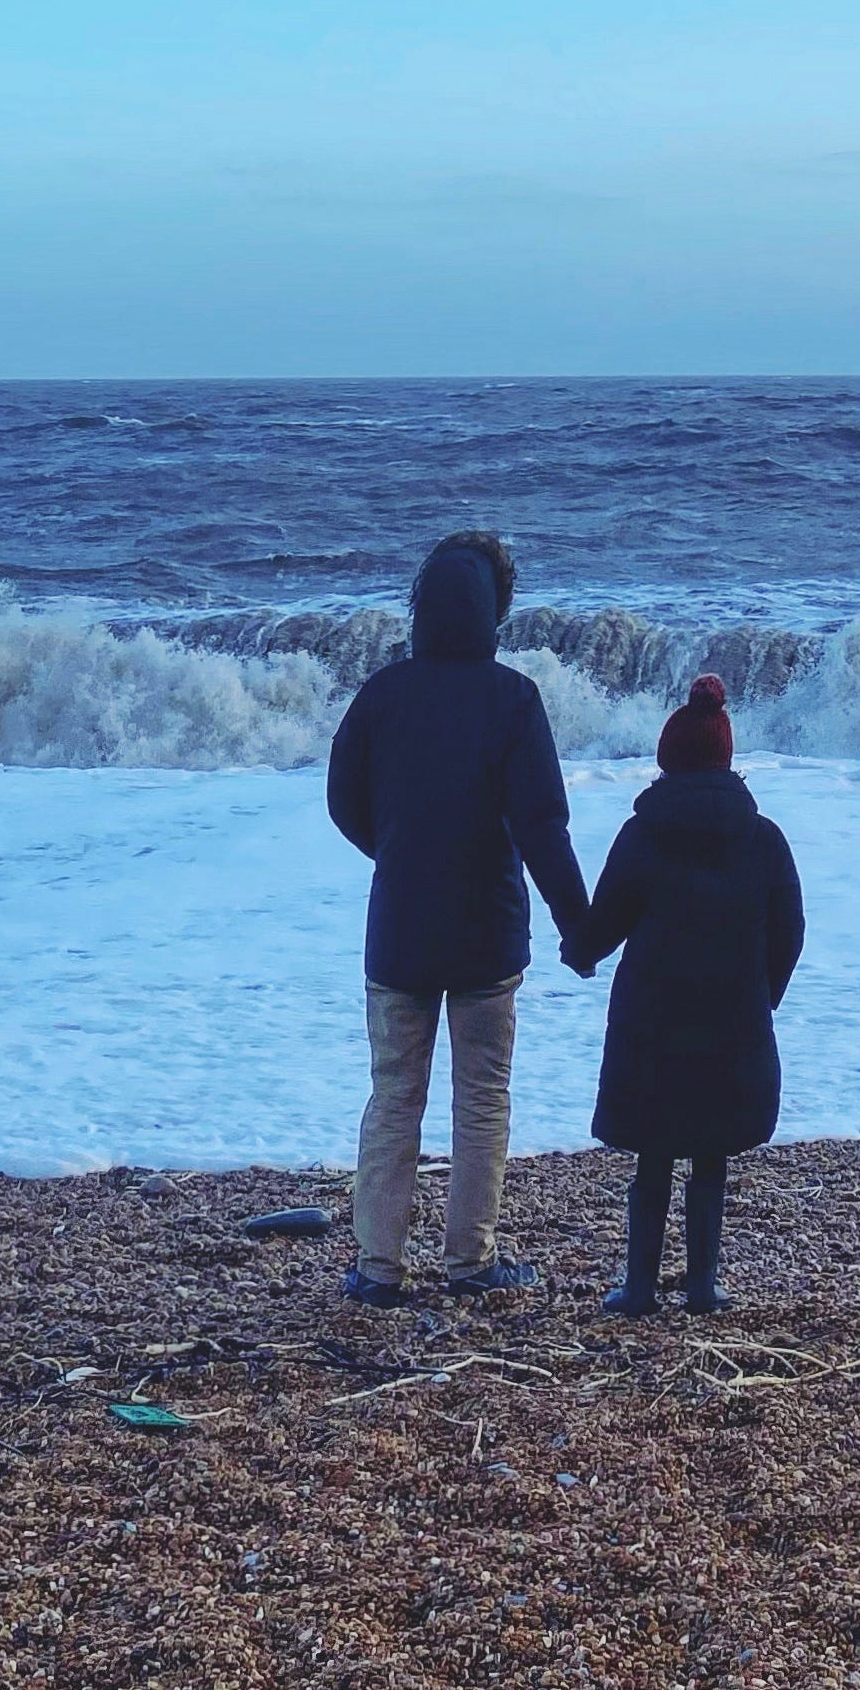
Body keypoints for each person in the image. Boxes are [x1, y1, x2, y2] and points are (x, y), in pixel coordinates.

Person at [325, 532, 589, 1309]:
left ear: (420, 610)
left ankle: (377, 1266)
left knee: (393, 1097)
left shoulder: (382, 695)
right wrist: (579, 927)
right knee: (480, 1098)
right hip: (486, 931)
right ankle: (470, 1259)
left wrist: (395, 850)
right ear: (492, 612)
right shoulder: (513, 699)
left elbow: (343, 801)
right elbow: (542, 827)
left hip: (399, 928)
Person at [561, 675, 805, 1315]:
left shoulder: (644, 834)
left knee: (654, 1155)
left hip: (652, 1021)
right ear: (727, 758)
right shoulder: (764, 838)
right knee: (711, 1154)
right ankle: (703, 1287)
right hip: (733, 1022)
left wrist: (578, 952)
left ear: (668, 759)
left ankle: (639, 1288)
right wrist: (763, 997)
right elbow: (790, 930)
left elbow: (607, 920)